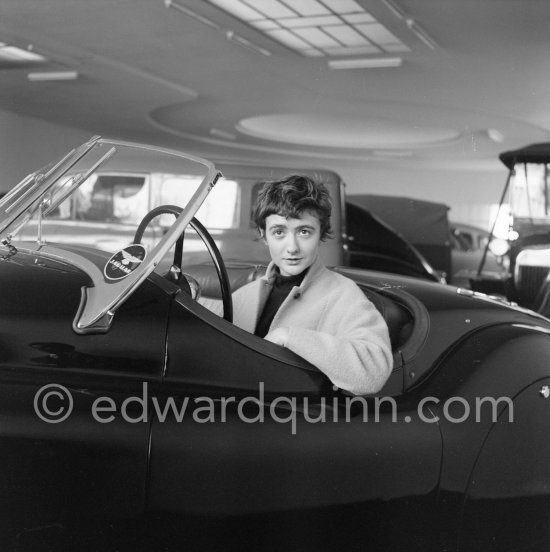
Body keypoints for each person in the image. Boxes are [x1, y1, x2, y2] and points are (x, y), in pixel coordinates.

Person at [229, 174, 393, 396]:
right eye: (279, 232)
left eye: (304, 232)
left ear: (321, 233)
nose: (292, 247)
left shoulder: (343, 294)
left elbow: (374, 372)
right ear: (264, 235)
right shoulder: (246, 294)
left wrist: (290, 336)